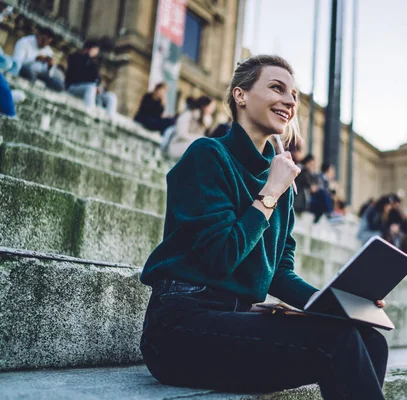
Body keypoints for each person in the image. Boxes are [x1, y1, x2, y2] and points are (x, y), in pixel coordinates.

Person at [139, 55, 388, 399]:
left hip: (237, 323)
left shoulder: (282, 183)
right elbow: (220, 258)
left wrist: (336, 302)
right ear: (240, 95)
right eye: (276, 88)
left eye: (294, 95)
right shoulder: (208, 155)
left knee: (369, 339)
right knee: (337, 341)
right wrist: (269, 193)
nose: (289, 101)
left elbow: (278, 274)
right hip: (180, 326)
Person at [65, 40, 117, 117]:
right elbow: (76, 76)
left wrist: (98, 88)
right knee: (91, 88)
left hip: (91, 90)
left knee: (111, 97)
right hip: (74, 87)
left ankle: (110, 119)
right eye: (94, 50)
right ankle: (89, 114)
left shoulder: (93, 64)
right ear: (87, 49)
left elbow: (97, 79)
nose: (95, 53)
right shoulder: (75, 57)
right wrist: (93, 85)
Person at [10, 27, 64, 92]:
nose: (45, 44)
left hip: (39, 74)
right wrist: (35, 59)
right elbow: (17, 62)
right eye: (43, 40)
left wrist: (50, 66)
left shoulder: (48, 51)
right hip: (24, 69)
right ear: (38, 34)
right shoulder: (24, 42)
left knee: (59, 84)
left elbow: (49, 75)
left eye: (48, 42)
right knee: (31, 73)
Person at [165, 95, 215, 160]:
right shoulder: (188, 114)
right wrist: (197, 139)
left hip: (190, 147)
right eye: (211, 107)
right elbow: (181, 134)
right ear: (205, 106)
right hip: (177, 145)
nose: (212, 110)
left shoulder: (206, 121)